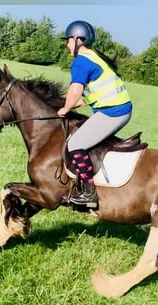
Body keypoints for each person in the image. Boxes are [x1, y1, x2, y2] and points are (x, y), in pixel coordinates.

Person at [58, 20, 133, 209]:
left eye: (68, 40)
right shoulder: (93, 56)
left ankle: (88, 194)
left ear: (78, 40)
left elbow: (75, 91)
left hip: (113, 112)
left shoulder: (81, 62)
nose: (67, 44)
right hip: (117, 108)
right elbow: (93, 92)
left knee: (75, 145)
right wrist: (80, 103)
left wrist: (65, 110)